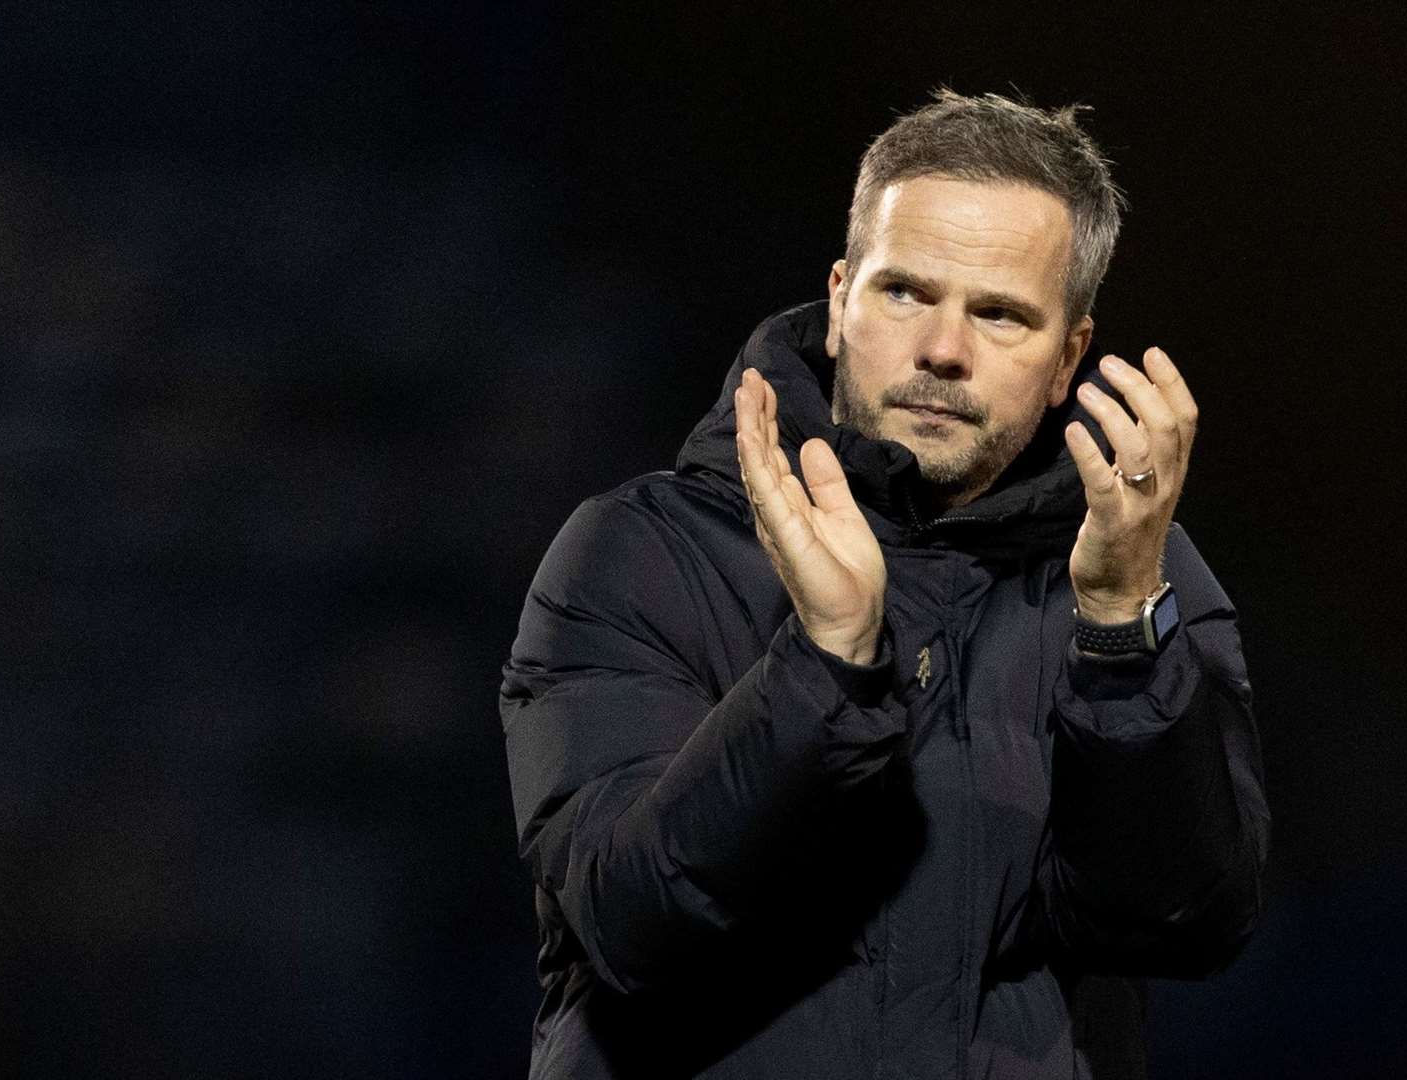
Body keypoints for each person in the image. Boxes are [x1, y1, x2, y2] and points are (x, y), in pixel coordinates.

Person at [501, 90, 1269, 1079]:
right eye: (905, 293)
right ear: (838, 299)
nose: (943, 350)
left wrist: (1121, 628)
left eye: (999, 314)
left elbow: (1184, 920)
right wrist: (824, 665)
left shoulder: (1135, 571)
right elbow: (632, 924)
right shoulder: (640, 553)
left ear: (1068, 356)